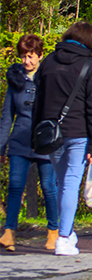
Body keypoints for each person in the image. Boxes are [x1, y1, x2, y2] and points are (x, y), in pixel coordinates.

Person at [33, 22, 92, 256]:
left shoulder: (48, 62)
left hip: (51, 134)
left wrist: (36, 133)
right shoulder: (90, 66)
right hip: (79, 133)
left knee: (62, 182)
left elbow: (38, 101)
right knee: (70, 184)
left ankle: (66, 231)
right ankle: (63, 238)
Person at [1, 35, 60, 253]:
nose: (27, 61)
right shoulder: (15, 80)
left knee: (48, 187)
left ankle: (54, 231)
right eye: (24, 56)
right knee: (15, 186)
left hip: (44, 142)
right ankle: (9, 232)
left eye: (31, 56)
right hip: (19, 142)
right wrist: (1, 147)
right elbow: (7, 117)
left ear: (40, 56)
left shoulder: (48, 78)